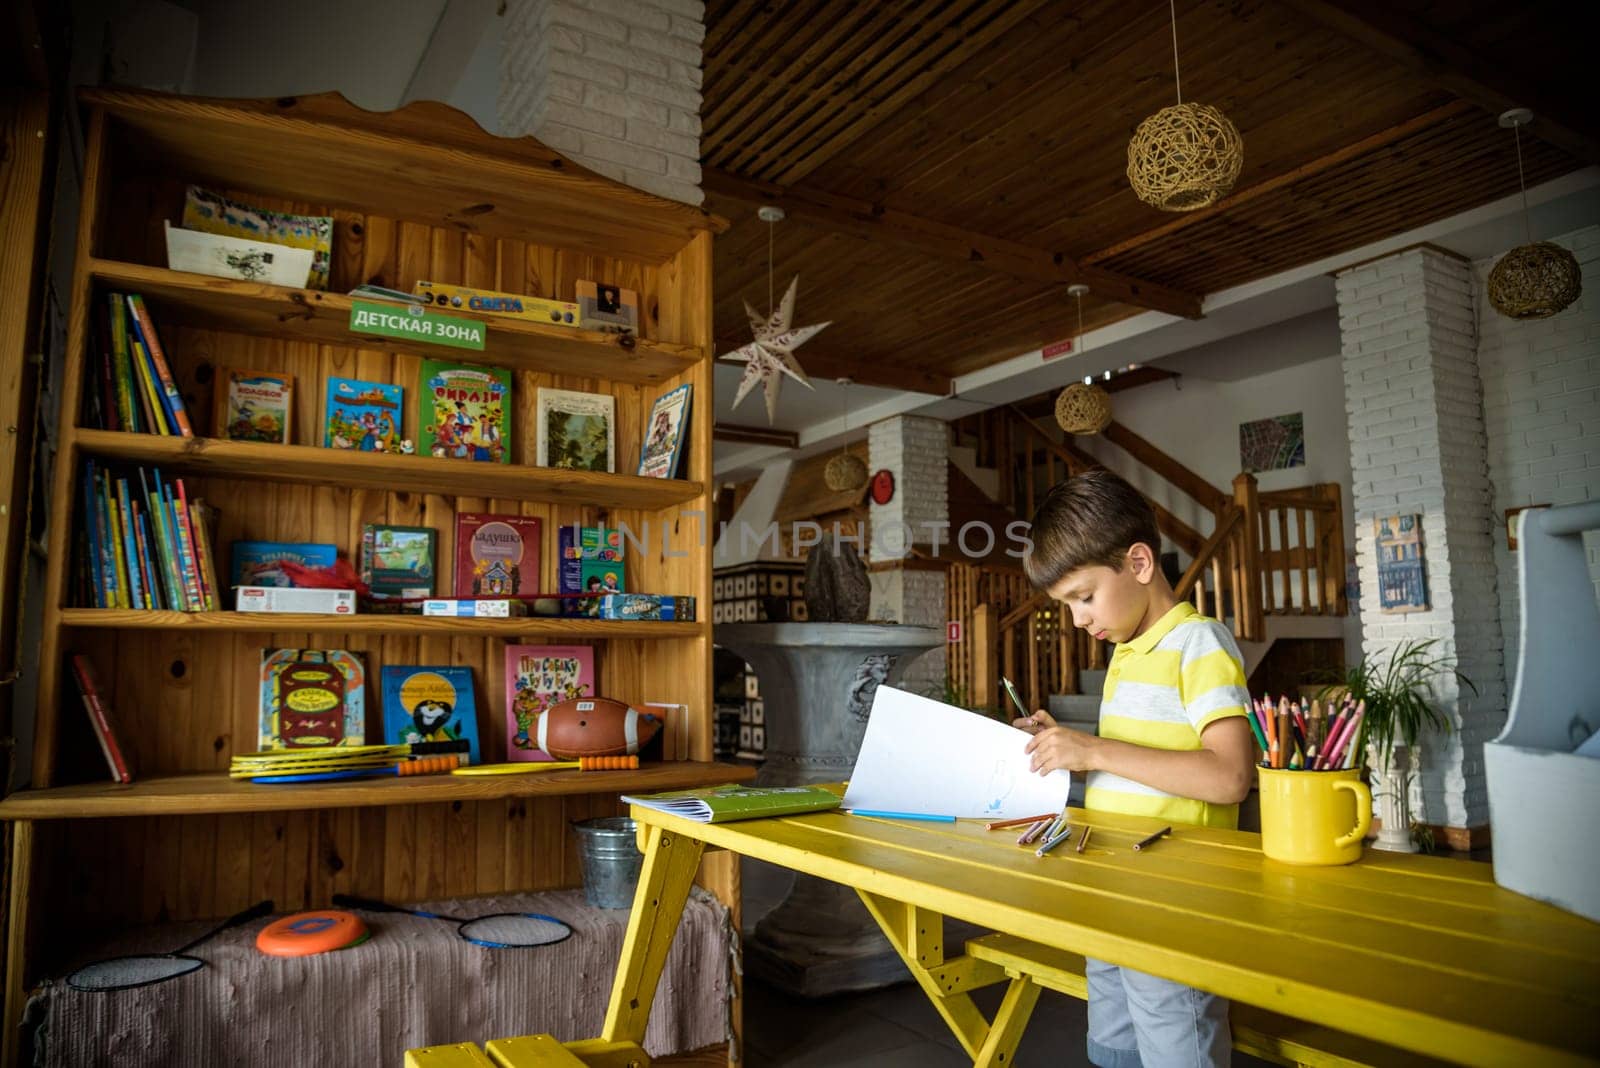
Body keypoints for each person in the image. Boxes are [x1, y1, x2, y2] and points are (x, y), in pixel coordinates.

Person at [1014, 467, 1254, 1068]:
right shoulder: (1126, 650)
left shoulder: (1199, 643)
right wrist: (1067, 746)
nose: (1077, 619)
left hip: (1175, 903)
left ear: (1140, 564)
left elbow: (1228, 776)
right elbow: (1140, 765)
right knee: (1114, 1043)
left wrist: (1093, 750)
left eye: (1083, 597)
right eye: (1066, 604)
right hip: (1115, 888)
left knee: (1174, 1041)